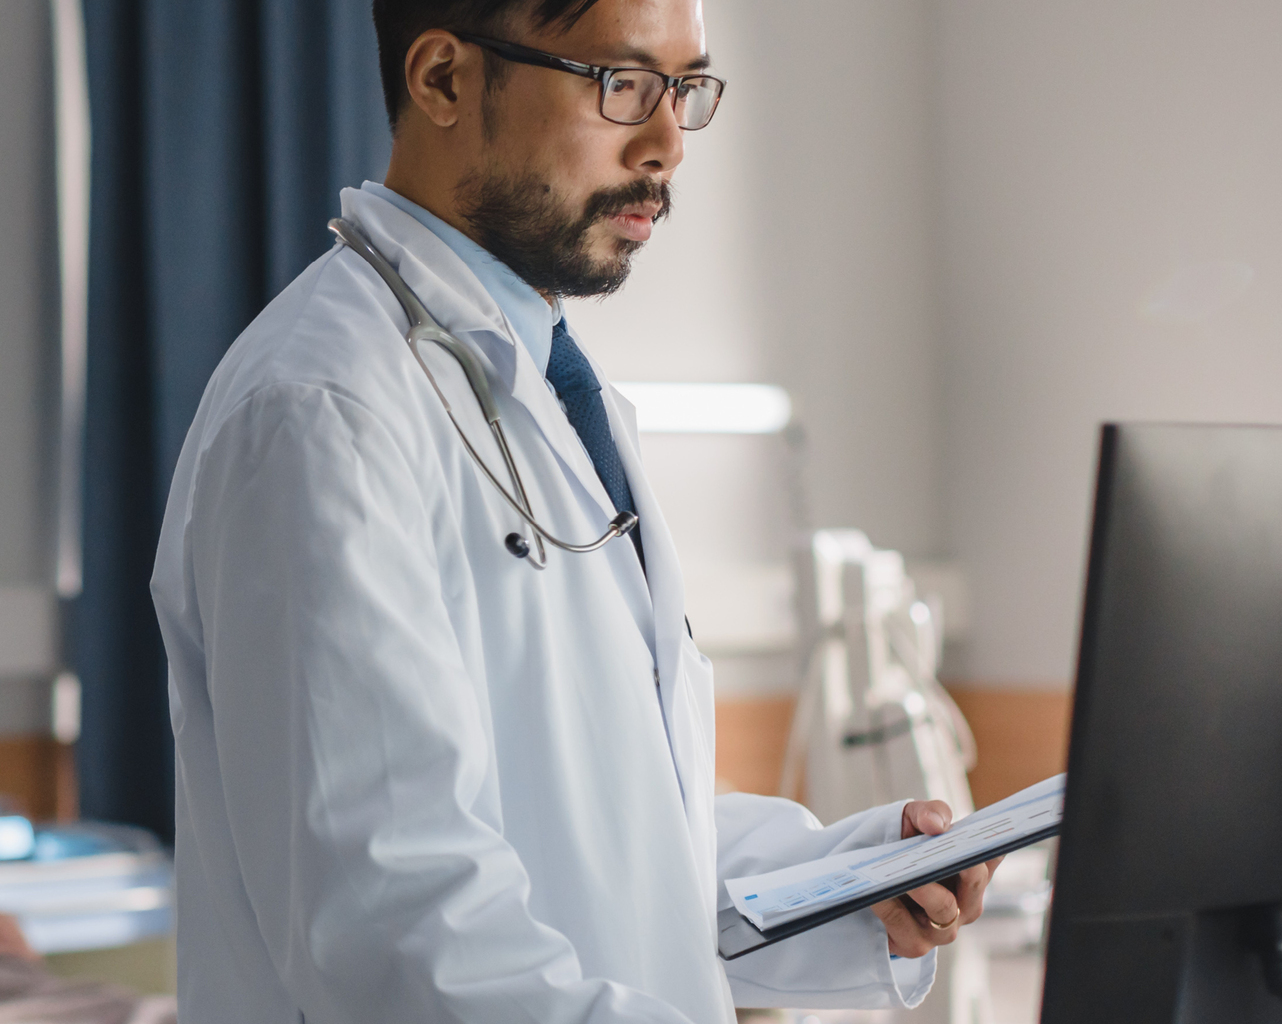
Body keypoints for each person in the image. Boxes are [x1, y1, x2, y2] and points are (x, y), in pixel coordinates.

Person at [150, 1, 1000, 1021]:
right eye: (623, 84)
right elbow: (401, 934)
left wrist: (846, 886)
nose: (667, 145)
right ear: (444, 80)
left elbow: (609, 831)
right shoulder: (321, 410)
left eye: (685, 89)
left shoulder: (547, 390)